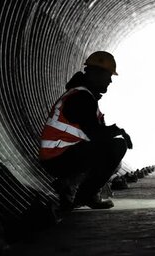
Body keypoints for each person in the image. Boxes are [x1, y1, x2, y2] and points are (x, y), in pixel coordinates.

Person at [39, 51, 132, 210]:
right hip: (60, 157)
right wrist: (118, 131)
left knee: (114, 154)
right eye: (108, 75)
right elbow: (95, 135)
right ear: (97, 73)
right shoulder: (81, 98)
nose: (110, 80)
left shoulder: (83, 95)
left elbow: (93, 131)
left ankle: (72, 184)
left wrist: (114, 131)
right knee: (116, 147)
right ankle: (83, 193)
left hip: (61, 155)